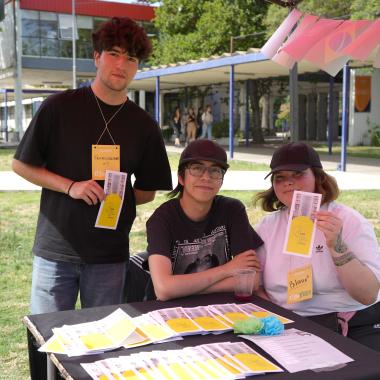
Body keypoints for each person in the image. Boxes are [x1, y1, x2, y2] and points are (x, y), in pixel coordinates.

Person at [12, 17, 172, 315]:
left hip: (109, 255)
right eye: (113, 53)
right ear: (96, 57)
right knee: (47, 339)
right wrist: (71, 187)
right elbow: (21, 165)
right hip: (55, 250)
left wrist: (114, 196)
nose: (121, 64)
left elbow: (147, 191)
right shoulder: (58, 108)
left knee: (102, 341)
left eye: (131, 58)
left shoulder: (144, 126)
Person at [254, 142, 380, 351]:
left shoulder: (348, 221)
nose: (288, 183)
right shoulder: (267, 227)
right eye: (280, 178)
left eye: (297, 174)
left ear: (319, 177)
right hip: (288, 325)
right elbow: (255, 286)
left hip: (351, 324)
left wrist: (336, 246)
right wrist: (278, 318)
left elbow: (367, 294)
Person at [146, 139, 263, 301]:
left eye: (215, 171)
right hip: (169, 313)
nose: (206, 177)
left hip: (221, 309)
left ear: (221, 180)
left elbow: (252, 280)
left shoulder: (233, 210)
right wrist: (227, 269)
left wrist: (183, 288)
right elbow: (164, 289)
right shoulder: (162, 220)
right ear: (181, 177)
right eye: (197, 169)